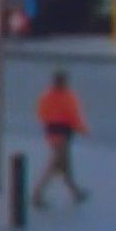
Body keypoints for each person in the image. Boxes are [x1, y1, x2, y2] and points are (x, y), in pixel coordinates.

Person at [32, 70, 90, 208]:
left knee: (64, 166)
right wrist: (82, 129)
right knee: (55, 165)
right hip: (61, 135)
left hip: (54, 134)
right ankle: (37, 195)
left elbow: (41, 114)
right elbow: (72, 116)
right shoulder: (66, 97)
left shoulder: (47, 97)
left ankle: (75, 192)